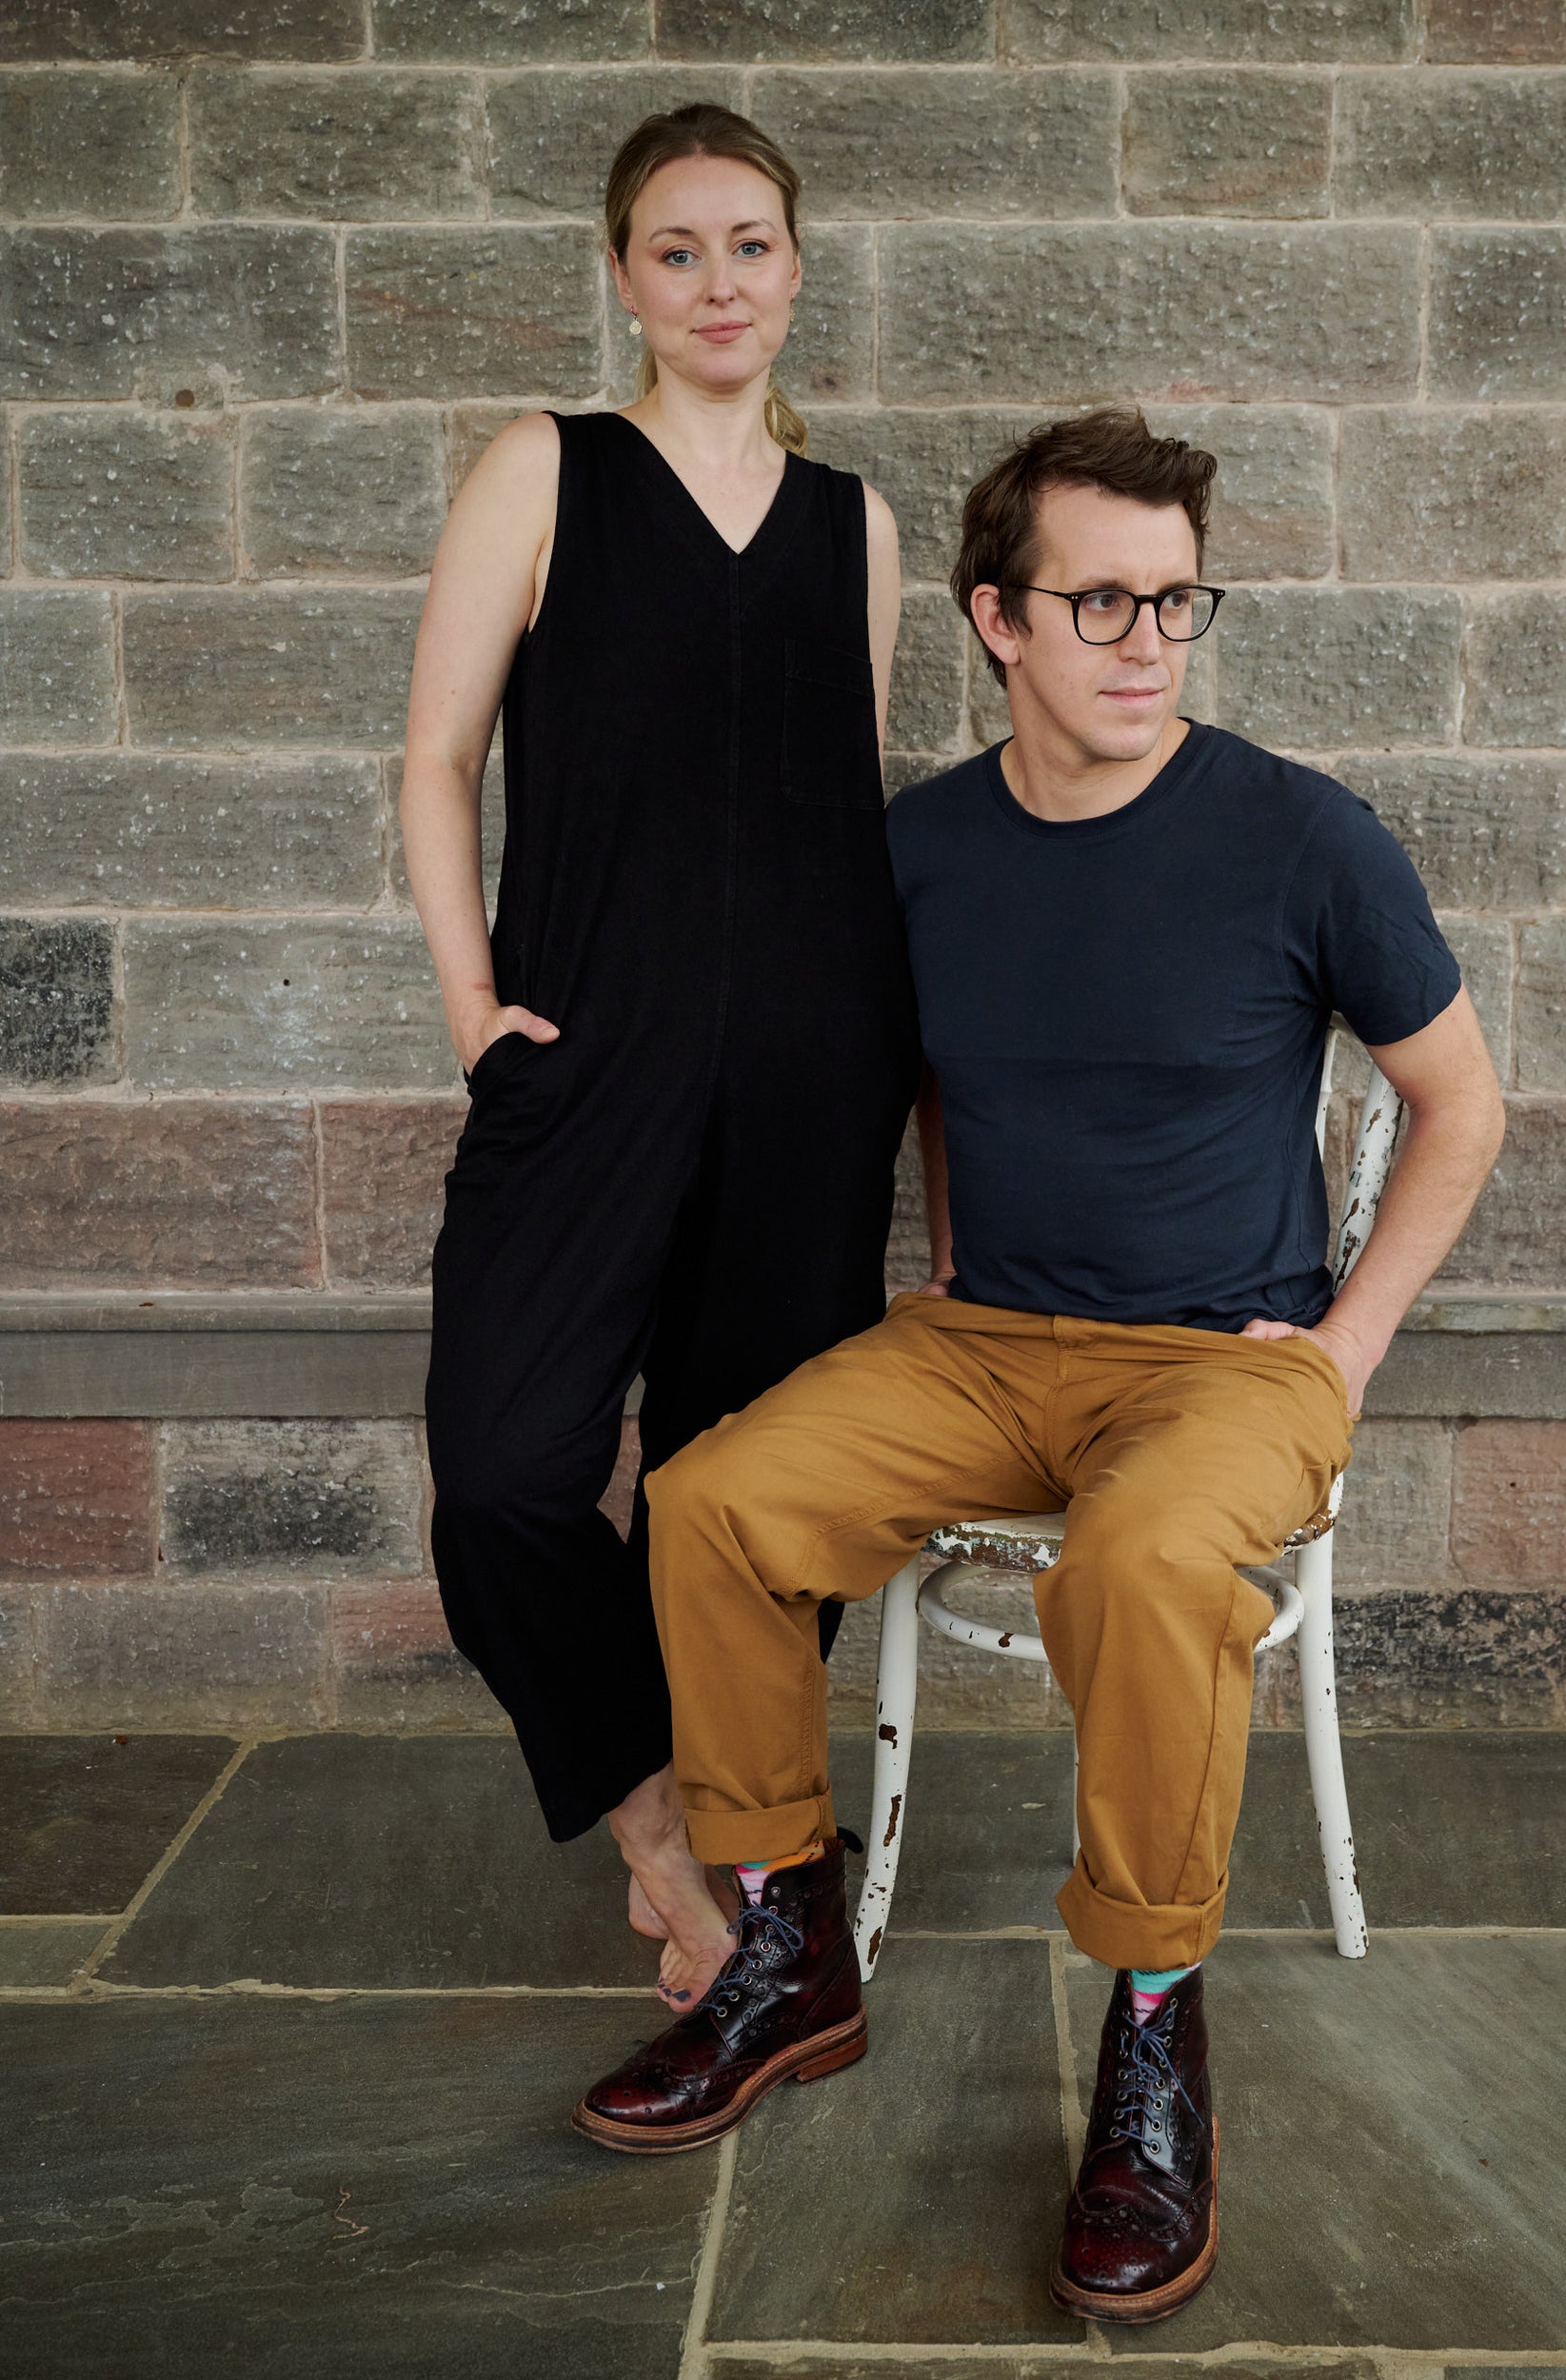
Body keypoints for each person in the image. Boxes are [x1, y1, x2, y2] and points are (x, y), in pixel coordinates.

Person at [571, 409, 1505, 2324]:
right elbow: (904, 1071)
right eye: (1099, 601)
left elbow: (1460, 1103)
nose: (1145, 640)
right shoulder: (919, 847)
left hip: (1221, 1366)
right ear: (996, 617)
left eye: (1174, 599)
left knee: (1145, 1563)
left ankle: (1153, 2027)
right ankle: (783, 1939)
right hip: (988, 1336)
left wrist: (1338, 1348)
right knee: (708, 1499)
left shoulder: (1299, 833)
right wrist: (954, 1261)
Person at [402, 105, 918, 2009]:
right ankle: (662, 1841)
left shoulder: (854, 523)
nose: (720, 281)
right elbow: (438, 755)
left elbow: (834, 810)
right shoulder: (544, 470)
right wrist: (476, 1003)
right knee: (506, 1466)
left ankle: (749, 1834)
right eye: (679, 247)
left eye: (752, 243)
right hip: (585, 1060)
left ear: (797, 268)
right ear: (624, 276)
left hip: (810, 1080)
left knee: (766, 1500)